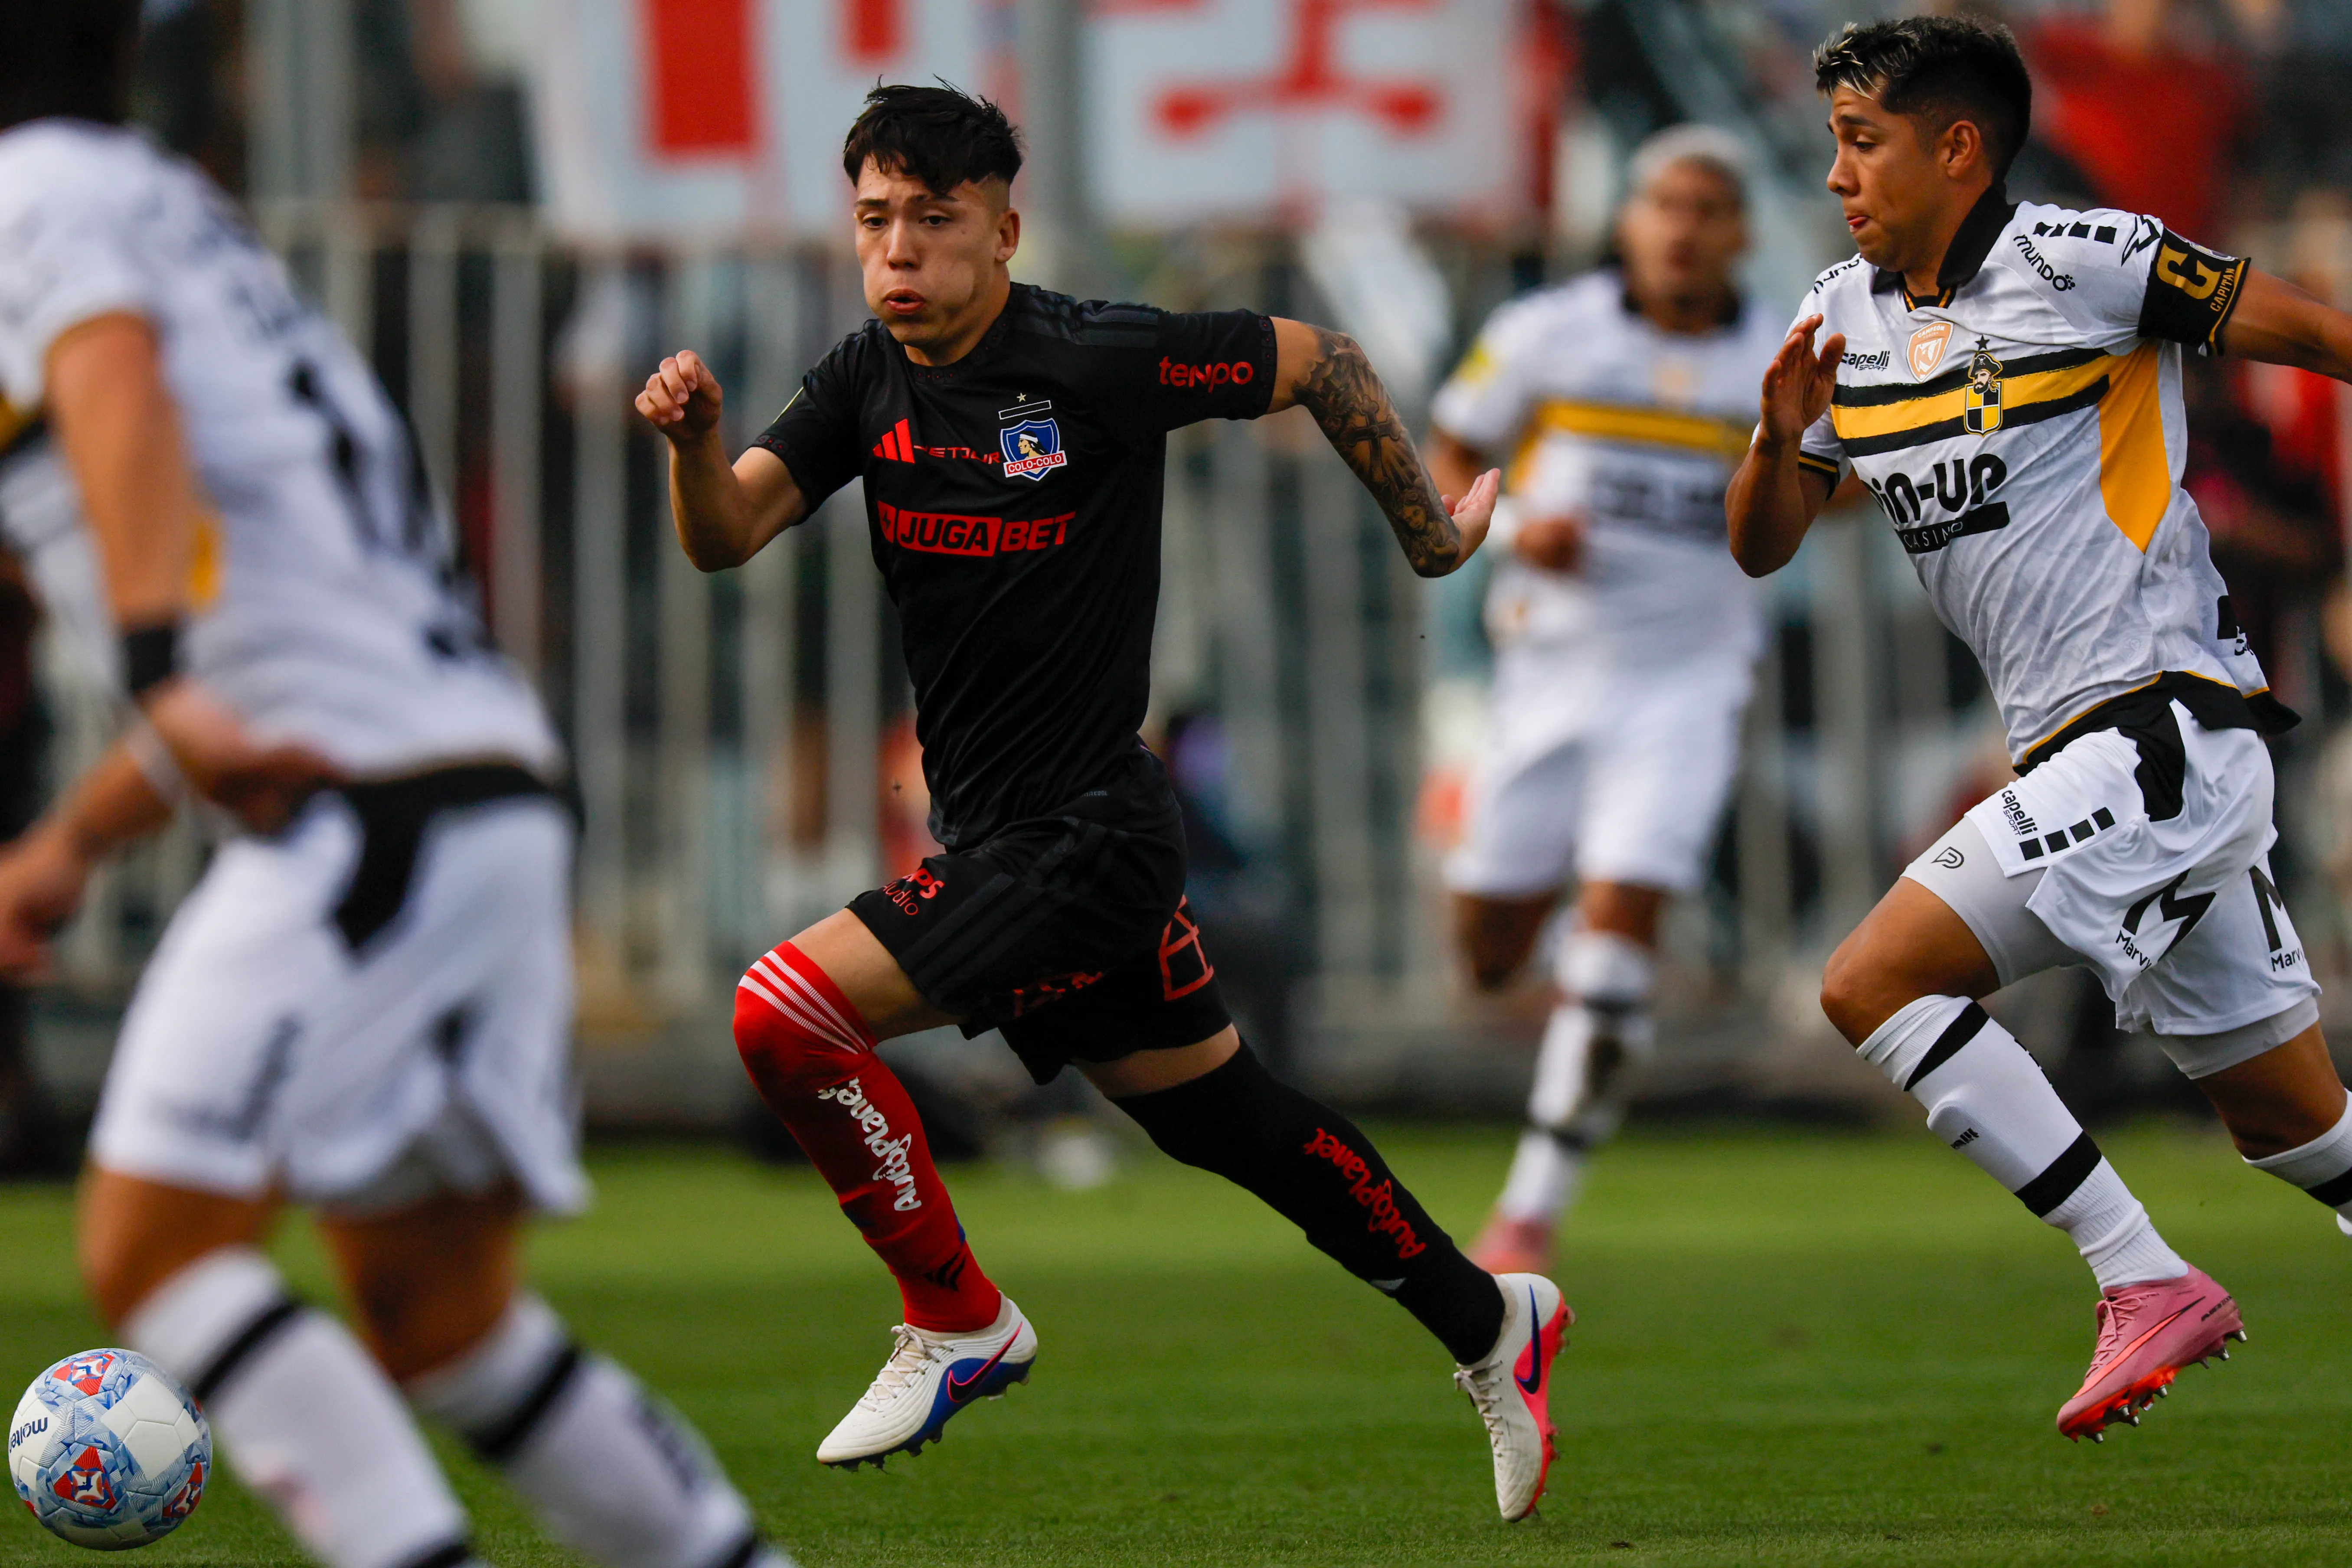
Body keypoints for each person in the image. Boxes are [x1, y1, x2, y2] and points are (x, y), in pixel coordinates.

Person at [637, 83, 1569, 1522]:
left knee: (783, 1011)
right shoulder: (859, 380)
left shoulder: (1095, 354)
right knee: (1230, 1122)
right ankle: (1490, 1322)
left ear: (1003, 230)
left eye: (933, 224)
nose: (898, 257)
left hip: (1087, 840)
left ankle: (955, 1315)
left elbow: (1323, 358)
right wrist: (696, 447)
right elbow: (728, 536)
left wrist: (1438, 542)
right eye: (875, 222)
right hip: (1012, 842)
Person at [0, 9, 797, 1568]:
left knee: (154, 1245)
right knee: (444, 1315)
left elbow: (120, 391)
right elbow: (279, 611)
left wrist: (155, 676)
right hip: (463, 786)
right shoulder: (169, 208)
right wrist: (72, 843)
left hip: (374, 816)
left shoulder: (34, 196)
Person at [1730, 13, 2352, 1443]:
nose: (1837, 175)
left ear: (1958, 149)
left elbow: (2312, 331)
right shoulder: (1841, 317)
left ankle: (2143, 1278)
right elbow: (1762, 546)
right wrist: (1775, 438)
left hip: (2161, 727)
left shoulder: (2089, 261)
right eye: (1832, 142)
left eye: (1863, 142)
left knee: (1871, 984)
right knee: (2296, 1128)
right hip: (2082, 750)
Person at [1424, 125, 1785, 1277]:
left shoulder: (1780, 360)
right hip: (1551, 673)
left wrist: (1780, 486)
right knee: (1487, 951)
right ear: (1629, 220)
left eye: (1707, 209)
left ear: (1740, 231)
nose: (1683, 229)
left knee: (1626, 920)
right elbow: (1447, 456)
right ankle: (1575, 992)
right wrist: (1524, 528)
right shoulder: (1548, 334)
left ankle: (1531, 1209)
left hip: (1689, 677)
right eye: (1664, 205)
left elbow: (1829, 495)